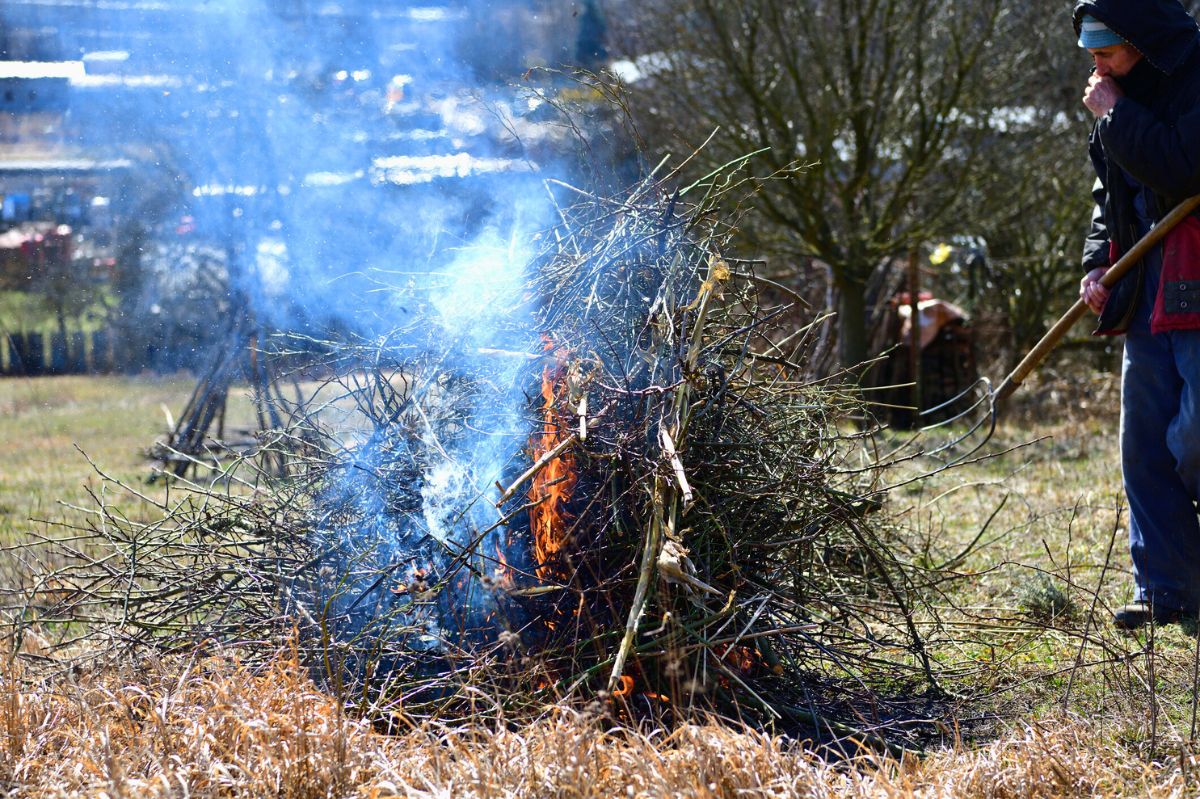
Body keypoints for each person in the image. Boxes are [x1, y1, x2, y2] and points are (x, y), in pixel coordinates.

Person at [1075, 0, 1200, 629]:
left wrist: (1118, 115)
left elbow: (1182, 167)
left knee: (1196, 432)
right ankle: (1164, 587)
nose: (1095, 65)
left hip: (1198, 265)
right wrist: (1098, 262)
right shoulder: (1112, 97)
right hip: (1148, 275)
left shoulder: (1193, 79)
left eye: (1106, 49)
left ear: (1144, 41)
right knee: (1143, 441)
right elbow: (1111, 194)